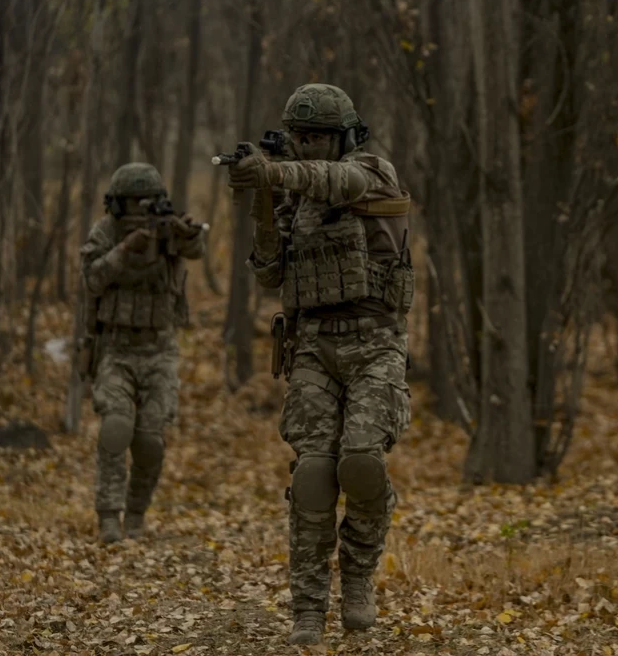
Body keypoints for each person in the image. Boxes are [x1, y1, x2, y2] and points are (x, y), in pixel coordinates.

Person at [227, 83, 414, 645]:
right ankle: (308, 607)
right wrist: (262, 197)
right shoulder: (292, 195)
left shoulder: (370, 169)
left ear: (344, 136)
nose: (309, 146)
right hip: (313, 345)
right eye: (300, 136)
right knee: (312, 474)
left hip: (375, 342)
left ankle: (357, 576)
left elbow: (340, 182)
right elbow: (268, 273)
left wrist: (276, 173)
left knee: (360, 463)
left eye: (319, 137)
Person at [78, 162, 206, 544]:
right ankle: (108, 516)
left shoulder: (166, 231)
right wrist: (124, 249)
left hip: (159, 349)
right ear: (116, 205)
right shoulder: (105, 232)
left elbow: (196, 247)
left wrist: (182, 233)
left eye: (145, 203)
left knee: (149, 439)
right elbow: (92, 278)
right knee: (116, 428)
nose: (138, 211)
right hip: (116, 348)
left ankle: (136, 512)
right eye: (131, 203)